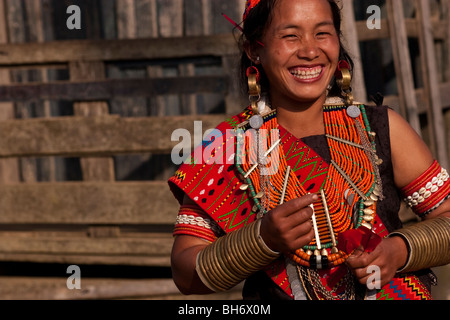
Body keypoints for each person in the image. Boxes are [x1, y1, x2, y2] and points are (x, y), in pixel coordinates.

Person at [168, 0, 450, 300]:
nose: (310, 50)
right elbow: (186, 275)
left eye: (322, 34)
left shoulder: (381, 129)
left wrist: (397, 250)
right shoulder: (228, 146)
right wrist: (261, 239)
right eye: (290, 36)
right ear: (254, 50)